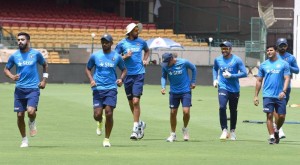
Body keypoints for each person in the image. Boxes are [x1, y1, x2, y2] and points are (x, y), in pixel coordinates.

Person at [3, 32, 48, 148]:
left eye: (22, 39)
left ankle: (32, 122)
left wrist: (44, 80)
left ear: (28, 41)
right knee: (19, 115)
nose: (19, 42)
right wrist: (12, 76)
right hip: (19, 89)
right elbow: (6, 69)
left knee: (31, 111)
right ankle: (24, 140)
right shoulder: (15, 56)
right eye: (18, 40)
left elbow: (45, 65)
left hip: (33, 88)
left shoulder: (36, 54)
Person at [86, 34, 127, 147]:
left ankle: (106, 139)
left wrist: (121, 79)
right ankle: (99, 121)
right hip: (98, 89)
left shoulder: (117, 56)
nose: (104, 44)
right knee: (97, 115)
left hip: (111, 89)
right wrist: (91, 80)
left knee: (109, 112)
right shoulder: (95, 56)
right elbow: (88, 68)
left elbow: (124, 69)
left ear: (111, 43)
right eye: (103, 42)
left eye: (107, 42)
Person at [115, 23, 150, 140]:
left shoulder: (141, 42)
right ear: (129, 32)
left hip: (139, 74)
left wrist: (145, 60)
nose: (137, 31)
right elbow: (114, 57)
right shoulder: (122, 43)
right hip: (127, 76)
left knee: (136, 101)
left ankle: (135, 130)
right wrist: (125, 56)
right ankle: (139, 123)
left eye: (137, 29)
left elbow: (147, 50)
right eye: (135, 30)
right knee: (131, 102)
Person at [254, 45, 290, 144]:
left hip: (280, 95)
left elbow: (287, 78)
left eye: (271, 50)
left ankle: (277, 130)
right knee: (269, 116)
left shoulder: (284, 64)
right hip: (267, 95)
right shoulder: (263, 65)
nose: (269, 52)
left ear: (276, 52)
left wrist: (284, 91)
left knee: (281, 116)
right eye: (267, 51)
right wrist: (256, 95)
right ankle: (271, 137)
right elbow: (259, 81)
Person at [212, 41, 247, 140]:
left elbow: (244, 73)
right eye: (222, 48)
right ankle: (224, 130)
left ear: (230, 49)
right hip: (222, 87)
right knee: (222, 107)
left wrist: (232, 76)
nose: (224, 50)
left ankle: (232, 131)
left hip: (234, 89)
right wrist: (215, 79)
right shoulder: (218, 59)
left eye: (226, 48)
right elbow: (214, 69)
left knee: (233, 110)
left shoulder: (237, 60)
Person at [160, 53, 196, 142]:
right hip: (173, 92)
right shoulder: (165, 66)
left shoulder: (184, 62)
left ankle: (185, 128)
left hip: (185, 91)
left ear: (172, 59)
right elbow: (163, 76)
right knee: (173, 113)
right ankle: (172, 134)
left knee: (186, 112)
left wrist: (193, 81)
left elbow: (194, 68)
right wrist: (163, 87)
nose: (166, 64)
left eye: (168, 62)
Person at [273, 38, 299, 139]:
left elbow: (297, 70)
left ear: (287, 46)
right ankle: (279, 129)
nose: (282, 47)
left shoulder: (291, 58)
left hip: (286, 87)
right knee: (274, 109)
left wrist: (288, 66)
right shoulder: (274, 56)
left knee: (281, 110)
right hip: (274, 86)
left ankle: (277, 128)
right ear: (277, 46)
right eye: (280, 45)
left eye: (284, 45)